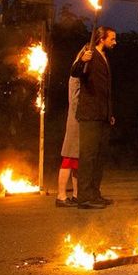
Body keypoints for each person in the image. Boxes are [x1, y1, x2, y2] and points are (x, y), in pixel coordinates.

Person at [72, 26, 117, 209]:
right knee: (88, 155)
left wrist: (110, 112)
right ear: (101, 39)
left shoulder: (105, 57)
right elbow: (75, 72)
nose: (115, 42)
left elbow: (106, 89)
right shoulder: (88, 53)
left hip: (102, 114)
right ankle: (83, 197)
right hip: (90, 114)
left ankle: (94, 193)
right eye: (112, 39)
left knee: (99, 156)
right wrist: (82, 61)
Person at [56, 53, 82, 208]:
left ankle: (77, 195)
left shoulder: (77, 79)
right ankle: (61, 195)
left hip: (78, 122)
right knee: (69, 159)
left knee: (77, 161)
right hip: (76, 122)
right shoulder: (75, 78)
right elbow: (75, 102)